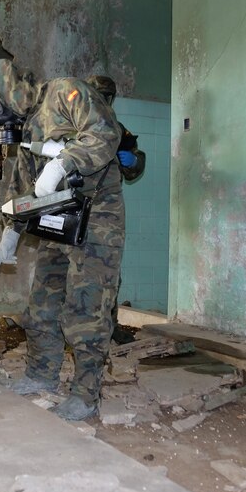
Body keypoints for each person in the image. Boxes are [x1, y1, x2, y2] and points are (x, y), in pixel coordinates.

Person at [0, 59, 124, 421]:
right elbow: (22, 186)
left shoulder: (65, 92)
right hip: (57, 217)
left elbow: (104, 133)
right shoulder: (25, 127)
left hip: (97, 216)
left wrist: (63, 163)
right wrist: (10, 232)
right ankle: (41, 374)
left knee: (86, 306)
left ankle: (86, 396)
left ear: (8, 87)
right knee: (43, 301)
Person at [85, 75, 146, 345]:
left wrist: (133, 161)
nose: (103, 101)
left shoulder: (117, 129)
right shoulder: (76, 127)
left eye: (107, 96)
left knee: (110, 272)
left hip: (108, 214)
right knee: (75, 274)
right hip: (78, 211)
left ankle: (109, 326)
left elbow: (135, 163)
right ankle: (76, 328)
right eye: (99, 95)